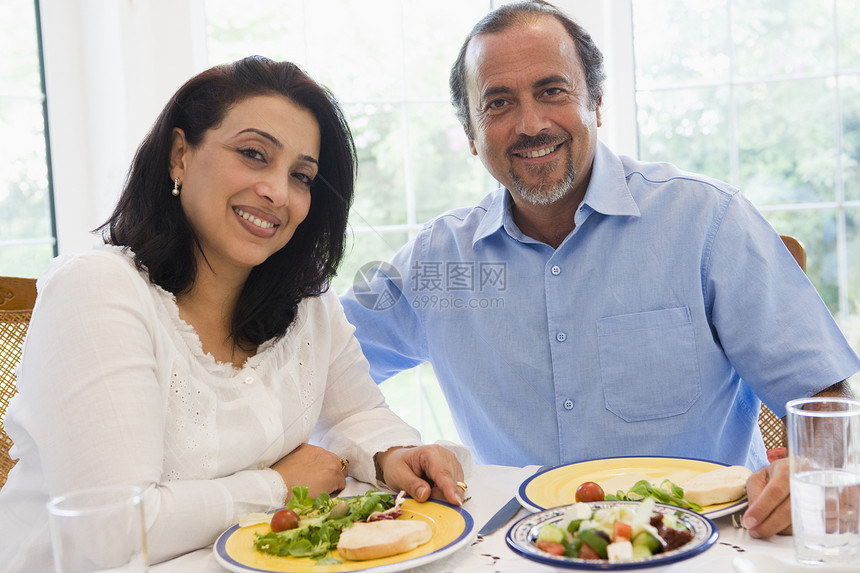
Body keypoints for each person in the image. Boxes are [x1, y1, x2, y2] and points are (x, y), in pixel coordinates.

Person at [339, 0, 860, 540]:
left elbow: (824, 397)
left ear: (597, 103)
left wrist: (813, 472)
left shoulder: (709, 222)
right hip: (518, 549)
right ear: (471, 133)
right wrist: (386, 449)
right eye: (498, 103)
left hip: (705, 547)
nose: (532, 123)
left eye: (552, 91)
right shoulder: (435, 261)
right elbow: (316, 367)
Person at [0, 56, 470, 571]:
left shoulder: (305, 300)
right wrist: (279, 487)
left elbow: (356, 412)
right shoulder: (97, 291)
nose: (277, 191)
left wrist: (391, 454)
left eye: (302, 176)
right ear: (180, 155)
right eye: (252, 154)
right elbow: (111, 531)